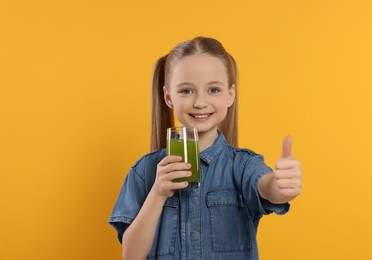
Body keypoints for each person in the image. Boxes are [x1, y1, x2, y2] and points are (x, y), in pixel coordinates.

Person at [108, 36, 302, 260]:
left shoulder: (242, 165)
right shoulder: (144, 171)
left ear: (230, 95)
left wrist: (281, 185)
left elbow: (266, 187)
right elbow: (131, 256)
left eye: (213, 90)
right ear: (168, 97)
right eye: (187, 91)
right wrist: (158, 193)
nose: (200, 102)